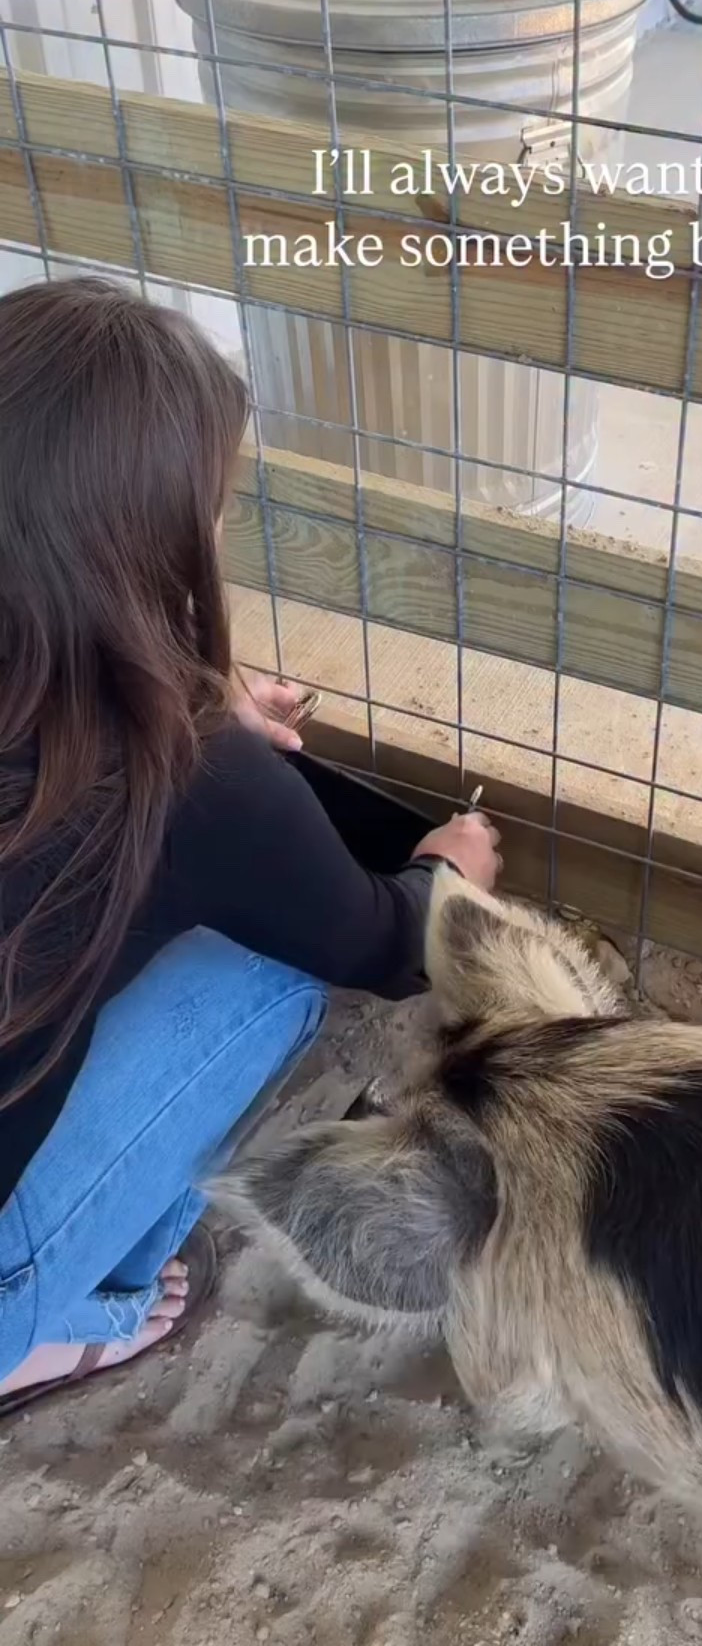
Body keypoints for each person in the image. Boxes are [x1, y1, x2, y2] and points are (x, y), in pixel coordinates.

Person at [0, 275, 500, 1416]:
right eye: (217, 505)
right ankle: (68, 1317)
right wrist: (450, 873)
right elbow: (385, 944)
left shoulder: (146, 750)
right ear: (153, 534)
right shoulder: (190, 778)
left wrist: (174, 692)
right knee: (267, 970)